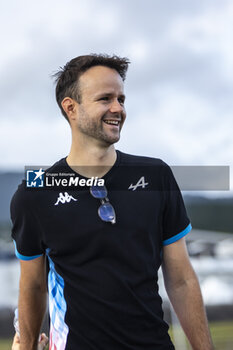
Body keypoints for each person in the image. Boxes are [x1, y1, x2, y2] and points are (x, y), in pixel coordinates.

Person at [11, 54, 214, 350]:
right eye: (105, 99)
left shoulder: (155, 176)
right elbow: (33, 286)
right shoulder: (35, 193)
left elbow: (181, 279)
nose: (118, 108)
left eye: (121, 98)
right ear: (71, 108)